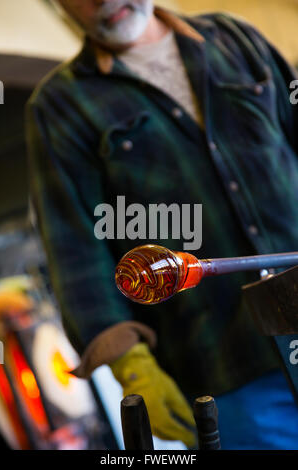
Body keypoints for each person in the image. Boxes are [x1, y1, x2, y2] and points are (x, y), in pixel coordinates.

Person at [26, 0, 298, 449]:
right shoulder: (59, 106)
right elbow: (74, 247)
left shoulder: (236, 38)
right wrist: (127, 360)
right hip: (227, 371)